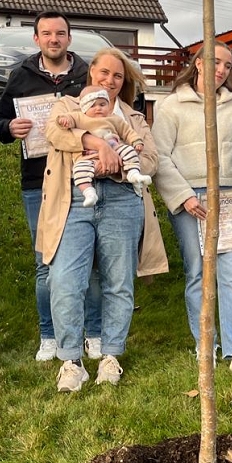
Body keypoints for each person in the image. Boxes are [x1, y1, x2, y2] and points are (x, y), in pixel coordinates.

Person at [37, 48, 164, 393]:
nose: (110, 80)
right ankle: (71, 361)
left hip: (123, 199)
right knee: (64, 280)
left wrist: (116, 161)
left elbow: (150, 161)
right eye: (104, 72)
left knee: (119, 282)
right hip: (74, 200)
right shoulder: (67, 105)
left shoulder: (132, 118)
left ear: (124, 82)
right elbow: (54, 133)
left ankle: (111, 355)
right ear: (91, 72)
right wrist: (96, 142)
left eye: (117, 76)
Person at [0, 11, 97, 362]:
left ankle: (92, 332)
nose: (54, 39)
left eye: (60, 33)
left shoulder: (87, 74)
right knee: (45, 262)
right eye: (47, 33)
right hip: (38, 180)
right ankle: (49, 334)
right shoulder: (20, 76)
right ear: (36, 39)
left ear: (69, 38)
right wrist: (9, 128)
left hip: (82, 177)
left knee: (90, 263)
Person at [154, 41, 232, 381]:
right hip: (190, 199)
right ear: (199, 63)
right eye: (216, 62)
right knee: (198, 272)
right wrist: (183, 196)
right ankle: (205, 344)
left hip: (228, 196)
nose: (222, 70)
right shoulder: (171, 106)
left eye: (228, 66)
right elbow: (159, 156)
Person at [57, 86, 151, 207]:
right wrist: (64, 120)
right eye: (92, 105)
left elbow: (127, 131)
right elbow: (68, 119)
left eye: (102, 104)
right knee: (79, 170)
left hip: (114, 150)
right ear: (84, 107)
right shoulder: (79, 116)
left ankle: (133, 173)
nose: (98, 108)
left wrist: (136, 141)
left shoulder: (113, 118)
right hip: (88, 157)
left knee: (129, 151)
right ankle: (88, 192)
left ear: (108, 104)